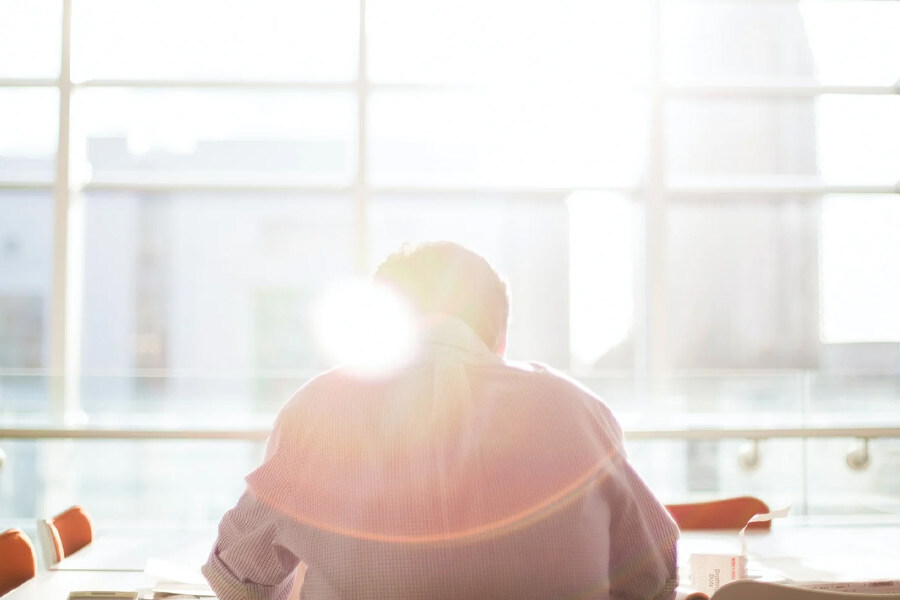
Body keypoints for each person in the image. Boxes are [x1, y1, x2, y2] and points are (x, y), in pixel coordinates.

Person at [202, 241, 679, 600]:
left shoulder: (319, 409)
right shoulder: (577, 411)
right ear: (500, 336)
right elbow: (654, 575)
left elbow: (237, 578)